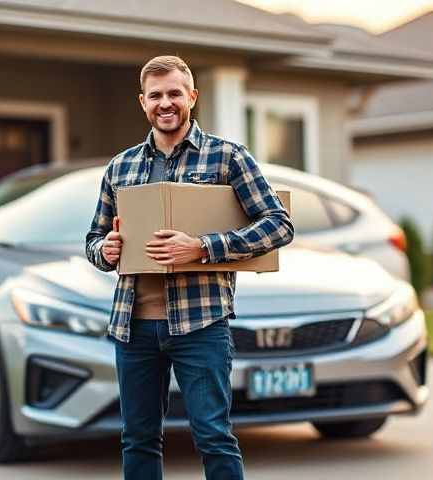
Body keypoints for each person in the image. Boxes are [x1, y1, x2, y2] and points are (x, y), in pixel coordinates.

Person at [85, 55, 294, 480]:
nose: (166, 103)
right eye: (156, 95)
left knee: (213, 435)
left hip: (201, 325)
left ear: (192, 97)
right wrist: (104, 251)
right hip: (133, 327)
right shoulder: (119, 167)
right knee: (138, 439)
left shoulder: (228, 157)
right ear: (143, 102)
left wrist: (201, 247)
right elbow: (94, 240)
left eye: (175, 94)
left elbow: (279, 225)